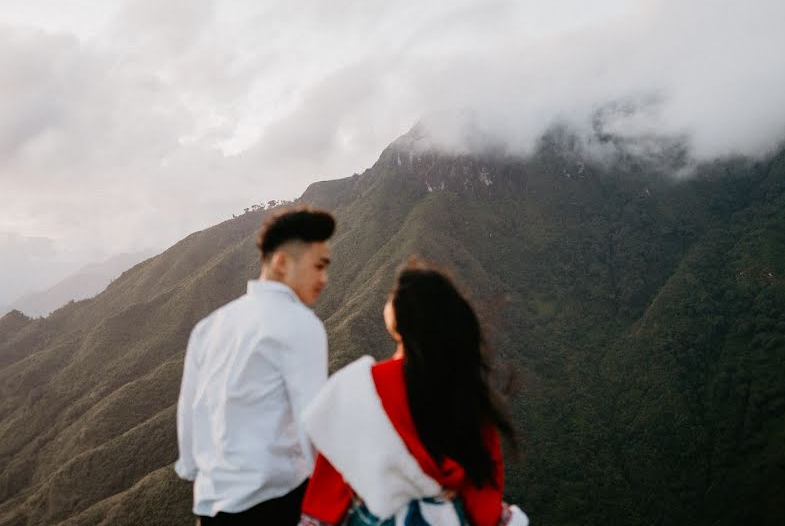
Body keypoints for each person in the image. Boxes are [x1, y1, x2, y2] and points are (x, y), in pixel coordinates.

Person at [299, 259, 528, 526]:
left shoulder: (362, 386)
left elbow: (333, 472)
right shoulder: (465, 387)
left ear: (397, 316)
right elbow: (483, 486)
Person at [175, 206, 335, 525]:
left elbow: (190, 411)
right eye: (318, 266)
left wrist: (202, 475)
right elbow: (313, 422)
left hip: (210, 505)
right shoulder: (300, 324)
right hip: (275, 503)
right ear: (281, 262)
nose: (324, 278)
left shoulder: (211, 325)